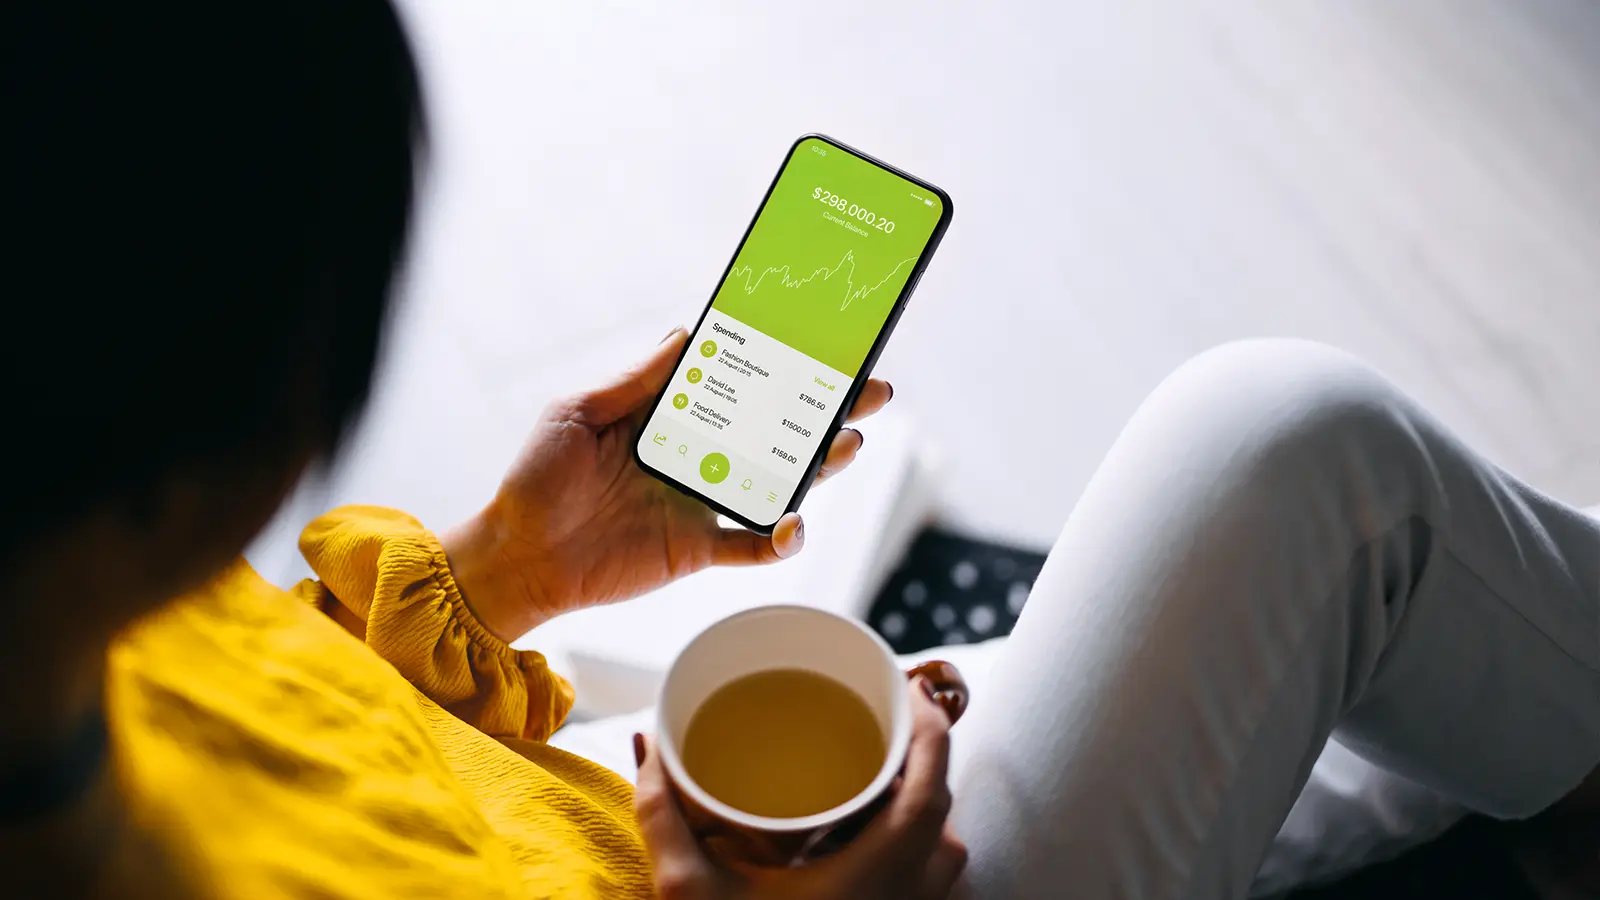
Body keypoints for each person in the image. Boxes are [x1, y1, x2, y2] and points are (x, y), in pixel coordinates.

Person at [4, 3, 1595, 900]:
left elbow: (267, 735)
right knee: (1298, 455)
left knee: (1257, 692)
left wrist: (504, 572)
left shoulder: (62, 623)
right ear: (163, 494)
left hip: (624, 826)